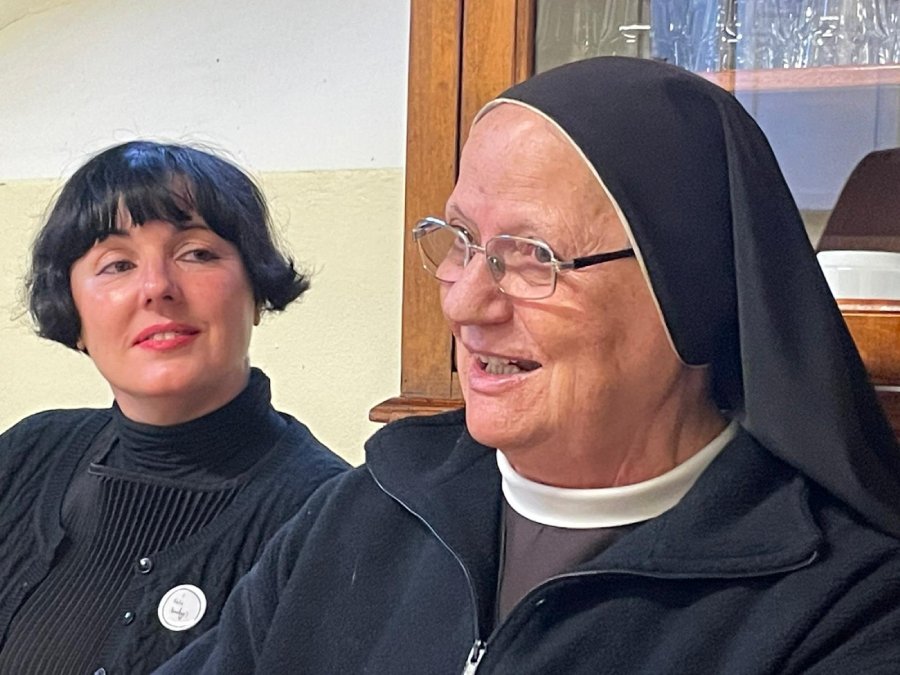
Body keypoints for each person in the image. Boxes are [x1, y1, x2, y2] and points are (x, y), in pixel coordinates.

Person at [158, 57, 900, 674]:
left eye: (532, 256)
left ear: (691, 287)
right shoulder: (365, 510)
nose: (465, 303)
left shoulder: (846, 604)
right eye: (459, 240)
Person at [0, 141, 348, 674]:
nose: (157, 288)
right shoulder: (26, 456)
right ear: (73, 316)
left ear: (256, 290)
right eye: (117, 264)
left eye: (197, 254)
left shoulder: (329, 516)